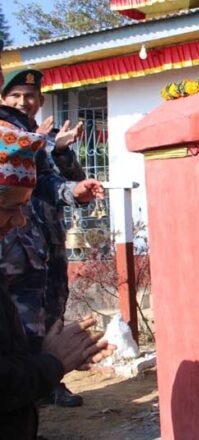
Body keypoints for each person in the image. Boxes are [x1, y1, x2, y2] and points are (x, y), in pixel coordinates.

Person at [1, 68, 100, 406]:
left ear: (40, 101)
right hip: (12, 250)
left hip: (47, 243)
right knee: (16, 326)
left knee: (51, 310)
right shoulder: (9, 134)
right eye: (14, 96)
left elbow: (55, 182)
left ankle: (49, 380)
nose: (22, 102)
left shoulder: (45, 137)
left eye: (29, 97)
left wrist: (72, 181)